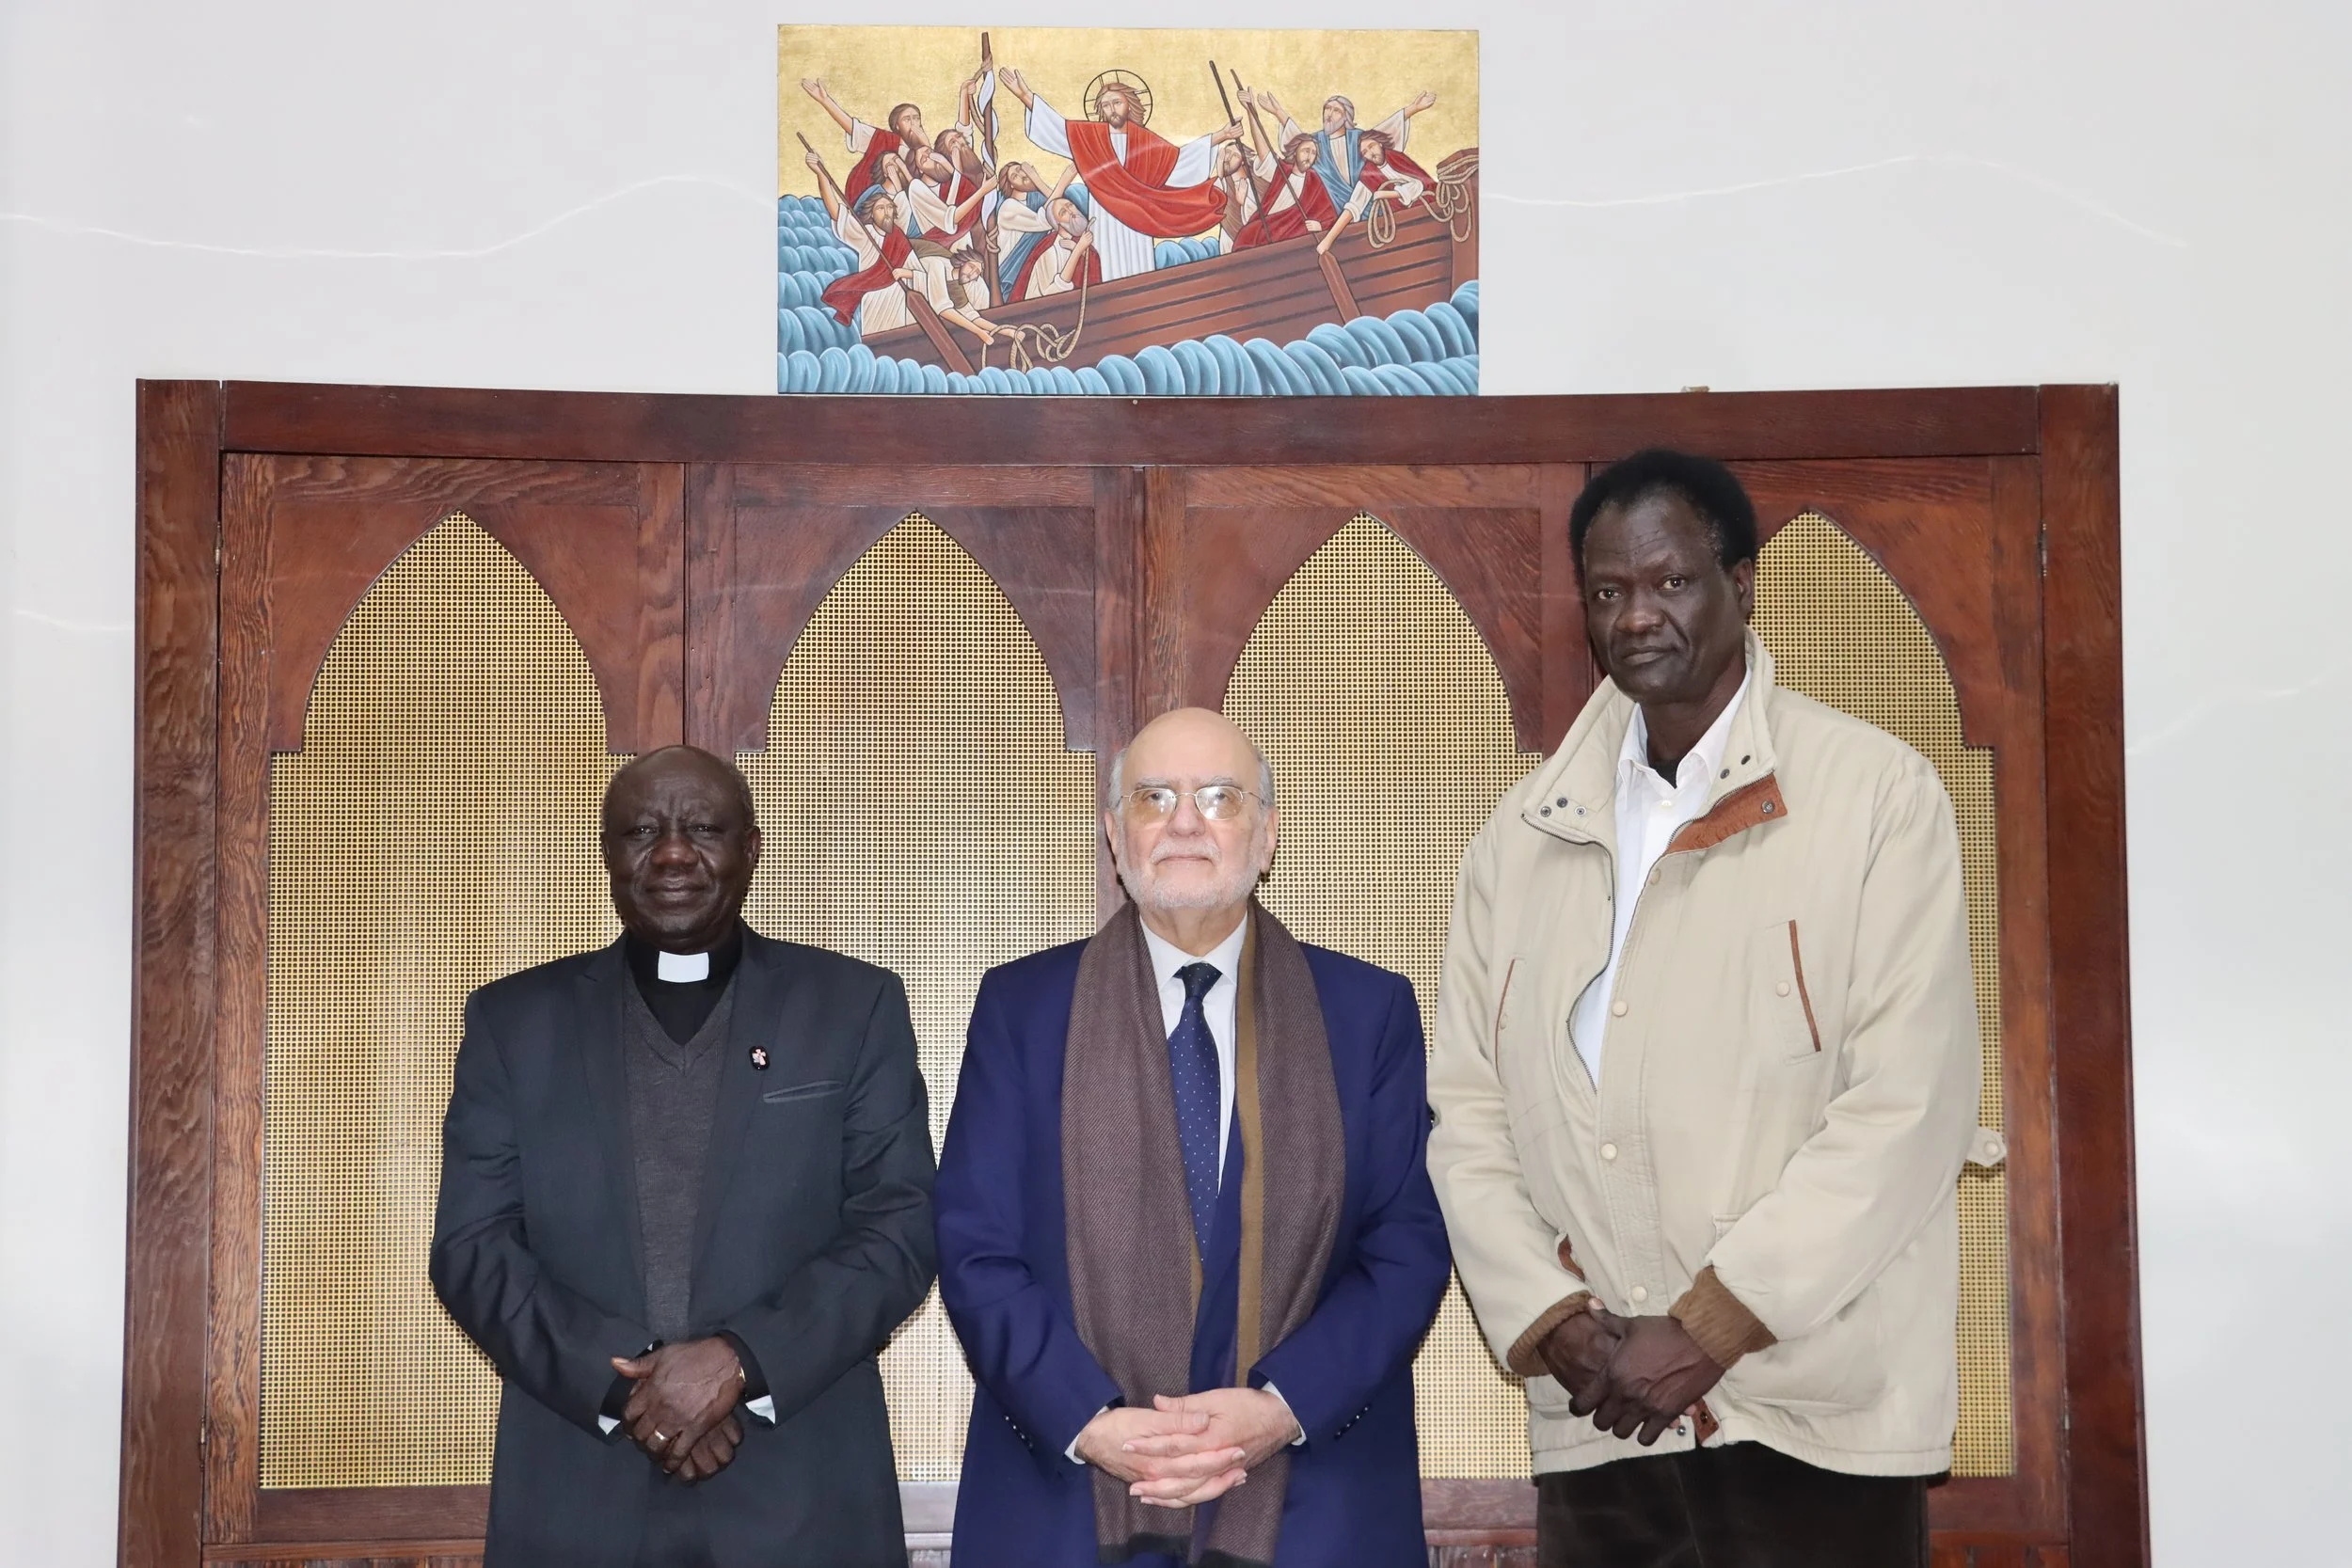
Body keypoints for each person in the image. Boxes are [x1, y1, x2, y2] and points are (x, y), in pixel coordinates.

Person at [1425, 451, 1980, 1568]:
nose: (1637, 616)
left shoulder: (1877, 798)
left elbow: (1907, 1106)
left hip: (1816, 1410)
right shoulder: (1516, 839)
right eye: (1607, 591)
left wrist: (1712, 1324)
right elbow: (1468, 1115)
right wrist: (1555, 1322)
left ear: (1741, 581)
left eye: (1670, 581)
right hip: (1603, 1419)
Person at [936, 708, 1452, 1568]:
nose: (1184, 821)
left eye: (1219, 797)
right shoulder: (1022, 1008)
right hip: (1068, 1499)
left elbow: (1406, 1247)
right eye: (1153, 797)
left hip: (1313, 1499)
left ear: (1268, 831)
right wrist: (1090, 1421)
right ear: (1114, 832)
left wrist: (1284, 1406)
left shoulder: (1367, 1013)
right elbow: (974, 1245)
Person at [430, 746, 936, 1567]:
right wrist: (632, 1388)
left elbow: (901, 1227)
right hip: (578, 1492)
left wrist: (742, 1361)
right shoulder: (513, 1022)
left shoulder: (852, 1006)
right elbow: (472, 1246)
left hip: (803, 1493)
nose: (671, 852)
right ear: (607, 852)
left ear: (752, 849)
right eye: (641, 830)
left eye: (702, 827)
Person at [994, 68, 1241, 280]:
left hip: (1139, 220)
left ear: (1129, 104)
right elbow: (1059, 129)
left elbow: (1178, 161)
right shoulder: (1090, 138)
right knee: (1107, 267)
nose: (1111, 109)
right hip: (1104, 219)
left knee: (1140, 268)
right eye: (1105, 105)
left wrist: (1222, 136)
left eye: (1116, 102)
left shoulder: (1146, 142)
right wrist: (1024, 95)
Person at [1260, 87, 1437, 209]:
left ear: (1347, 117)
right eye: (1327, 109)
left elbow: (1385, 132)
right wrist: (1278, 113)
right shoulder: (1316, 142)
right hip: (1334, 211)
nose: (1329, 114)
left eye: (1336, 110)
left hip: (1370, 206)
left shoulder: (1359, 139)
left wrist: (1413, 109)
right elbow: (1297, 142)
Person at [802, 77, 929, 203]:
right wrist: (825, 100)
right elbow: (853, 127)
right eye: (907, 119)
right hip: (875, 207)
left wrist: (926, 145)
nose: (913, 123)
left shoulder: (926, 151)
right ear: (897, 125)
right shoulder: (885, 140)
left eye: (916, 118)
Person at [1316, 129, 1433, 256]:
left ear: (1380, 144)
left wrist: (1389, 194)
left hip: (1429, 210)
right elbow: (1354, 206)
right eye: (1365, 152)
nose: (1370, 153)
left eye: (1372, 146)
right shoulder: (1368, 174)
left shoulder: (1397, 158)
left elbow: (1419, 184)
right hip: (1402, 224)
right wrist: (1328, 240)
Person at [1234, 135, 1339, 248]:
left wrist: (1320, 226)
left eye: (1313, 153)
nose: (1309, 157)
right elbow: (1264, 154)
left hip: (1294, 234)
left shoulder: (1314, 181)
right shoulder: (1282, 171)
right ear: (1295, 152)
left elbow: (1329, 216)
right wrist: (1252, 117)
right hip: (1267, 230)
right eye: (1306, 151)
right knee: (1245, 235)